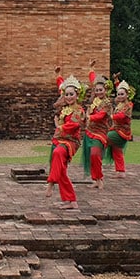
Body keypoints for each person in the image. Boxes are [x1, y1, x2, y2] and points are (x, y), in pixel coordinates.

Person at [46, 69, 84, 210]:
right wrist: (58, 76)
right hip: (59, 139)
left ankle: (50, 184)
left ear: (77, 95)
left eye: (71, 94)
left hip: (70, 142)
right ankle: (71, 201)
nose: (68, 97)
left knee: (57, 153)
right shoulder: (65, 108)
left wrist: (59, 126)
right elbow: (61, 86)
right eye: (66, 94)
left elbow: (74, 125)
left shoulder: (78, 110)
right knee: (61, 169)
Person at [82, 60, 112, 190]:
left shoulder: (107, 103)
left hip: (100, 133)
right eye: (97, 90)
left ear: (105, 90)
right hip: (90, 131)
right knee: (91, 156)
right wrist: (91, 68)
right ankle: (95, 179)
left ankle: (100, 179)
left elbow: (101, 116)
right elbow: (93, 80)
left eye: (101, 90)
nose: (99, 92)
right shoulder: (95, 101)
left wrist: (89, 117)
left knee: (95, 154)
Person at [105, 75, 135, 178]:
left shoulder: (128, 105)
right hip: (116, 129)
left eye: (122, 94)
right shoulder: (120, 104)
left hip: (122, 132)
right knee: (116, 149)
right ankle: (121, 171)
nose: (120, 96)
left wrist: (111, 116)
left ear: (127, 95)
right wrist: (116, 81)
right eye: (118, 94)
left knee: (103, 140)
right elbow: (119, 89)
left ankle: (95, 161)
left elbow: (122, 116)